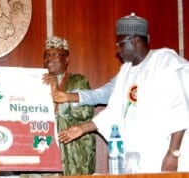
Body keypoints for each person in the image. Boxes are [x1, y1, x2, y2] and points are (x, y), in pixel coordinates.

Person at [58, 13, 189, 173]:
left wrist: (173, 153)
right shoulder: (126, 70)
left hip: (164, 155)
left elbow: (180, 108)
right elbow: (114, 111)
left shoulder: (164, 61)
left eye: (120, 43)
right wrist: (82, 128)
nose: (118, 49)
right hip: (137, 158)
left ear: (134, 40)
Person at [42, 36, 96, 175]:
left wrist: (57, 91)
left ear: (66, 59)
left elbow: (86, 112)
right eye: (47, 55)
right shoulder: (39, 81)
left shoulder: (78, 80)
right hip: (45, 145)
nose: (50, 59)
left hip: (74, 151)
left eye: (55, 55)